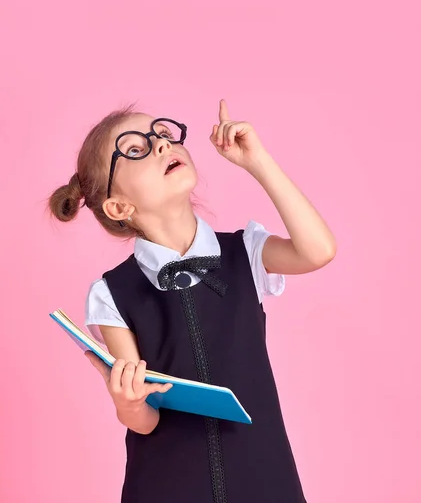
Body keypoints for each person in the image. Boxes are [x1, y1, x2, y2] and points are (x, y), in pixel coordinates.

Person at [49, 99, 336, 503]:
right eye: (136, 149)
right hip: (168, 486)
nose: (162, 144)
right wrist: (127, 402)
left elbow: (318, 250)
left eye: (163, 135)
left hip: (264, 478)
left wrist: (258, 161)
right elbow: (144, 421)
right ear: (119, 207)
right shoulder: (111, 293)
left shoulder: (245, 252)